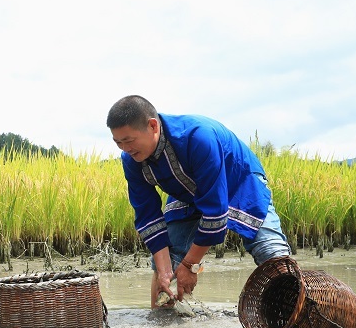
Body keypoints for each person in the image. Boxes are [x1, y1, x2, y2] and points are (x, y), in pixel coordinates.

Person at [106, 95, 290, 308]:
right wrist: (166, 271)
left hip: (239, 180)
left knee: (271, 253)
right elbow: (147, 216)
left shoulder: (197, 137)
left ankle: (290, 310)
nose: (124, 148)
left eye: (128, 141)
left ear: (153, 126)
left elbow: (215, 212)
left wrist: (191, 265)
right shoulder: (131, 160)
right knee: (166, 272)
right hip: (186, 192)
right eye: (118, 142)